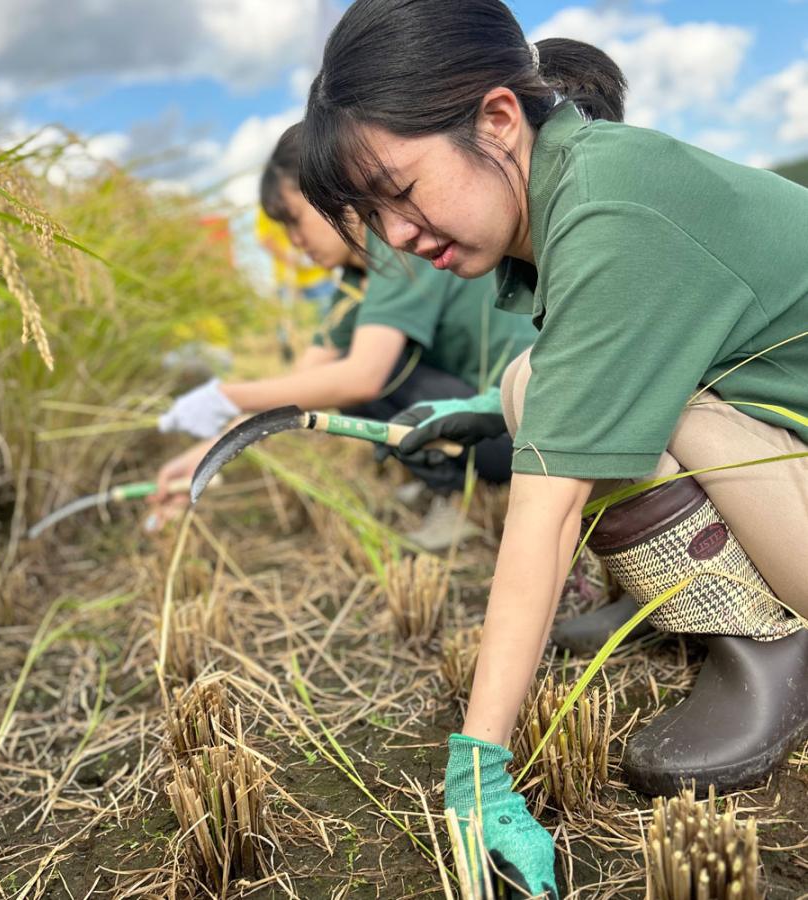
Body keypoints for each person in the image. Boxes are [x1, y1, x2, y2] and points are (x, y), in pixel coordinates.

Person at [298, 1, 808, 896]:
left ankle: (764, 643)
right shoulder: (578, 182)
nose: (400, 239)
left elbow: (549, 507)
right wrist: (485, 410)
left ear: (497, 119)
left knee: (641, 409)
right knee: (536, 383)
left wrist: (479, 766)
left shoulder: (613, 205)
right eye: (373, 217)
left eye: (403, 193)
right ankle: (669, 598)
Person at [149, 122, 539, 548]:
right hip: (487, 424)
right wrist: (205, 456)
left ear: (327, 192)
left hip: (522, 434)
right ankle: (442, 478)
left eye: (295, 220)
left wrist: (227, 394)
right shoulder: (356, 282)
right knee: (333, 378)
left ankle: (454, 498)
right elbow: (298, 384)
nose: (296, 242)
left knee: (379, 375)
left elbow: (363, 377)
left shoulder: (395, 250)